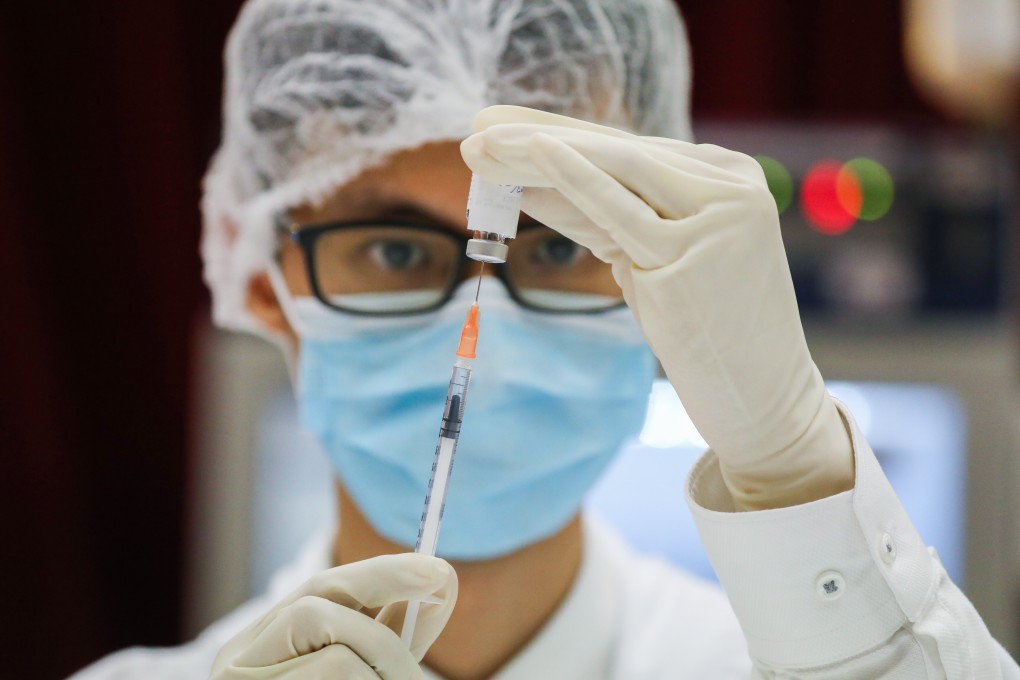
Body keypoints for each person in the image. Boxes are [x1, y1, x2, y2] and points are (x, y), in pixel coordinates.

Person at [72, 0, 1020, 678]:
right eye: (396, 249)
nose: (480, 322)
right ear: (266, 285)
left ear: (657, 280)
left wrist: (794, 465)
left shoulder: (811, 661)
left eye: (561, 244)